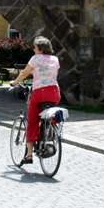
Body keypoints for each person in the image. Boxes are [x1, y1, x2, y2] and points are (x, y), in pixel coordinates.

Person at [10, 36, 61, 165]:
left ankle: (28, 155)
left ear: (40, 48)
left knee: (32, 121)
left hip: (40, 92)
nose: (33, 49)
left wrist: (15, 82)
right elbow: (50, 74)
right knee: (50, 114)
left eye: (35, 47)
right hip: (54, 92)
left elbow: (24, 73)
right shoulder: (55, 59)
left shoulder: (35, 58)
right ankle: (50, 130)